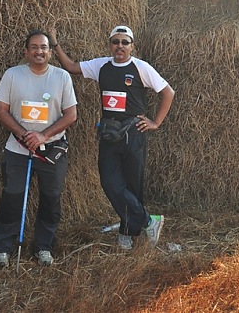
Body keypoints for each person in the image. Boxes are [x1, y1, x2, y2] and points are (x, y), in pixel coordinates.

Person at [49, 25, 174, 251]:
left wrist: (155, 123)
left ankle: (128, 231)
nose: (120, 46)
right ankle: (149, 221)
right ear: (110, 44)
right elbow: (71, 67)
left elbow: (168, 92)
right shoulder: (101, 65)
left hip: (133, 134)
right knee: (109, 181)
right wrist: (55, 44)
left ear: (132, 46)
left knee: (133, 185)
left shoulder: (140, 67)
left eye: (125, 42)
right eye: (115, 42)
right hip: (109, 133)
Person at [0, 30, 78, 268]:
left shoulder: (61, 77)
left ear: (50, 51)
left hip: (51, 152)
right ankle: (3, 247)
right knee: (12, 197)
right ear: (26, 51)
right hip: (18, 151)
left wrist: (43, 135)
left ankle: (43, 246)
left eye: (44, 47)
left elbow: (71, 115)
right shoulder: (12, 75)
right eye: (34, 47)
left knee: (51, 199)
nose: (39, 51)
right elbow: (1, 110)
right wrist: (24, 135)